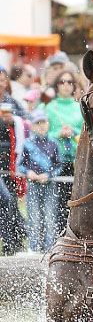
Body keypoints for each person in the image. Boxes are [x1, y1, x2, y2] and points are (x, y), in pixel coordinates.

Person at [45, 69, 83, 236]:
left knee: (77, 200)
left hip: (76, 159)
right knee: (57, 202)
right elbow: (41, 134)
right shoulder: (48, 107)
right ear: (57, 85)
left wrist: (73, 132)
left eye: (70, 82)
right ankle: (58, 235)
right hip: (56, 161)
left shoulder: (79, 107)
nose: (66, 85)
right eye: (62, 82)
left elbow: (85, 132)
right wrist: (58, 134)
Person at [18, 109, 61, 251]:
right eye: (38, 123)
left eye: (43, 122)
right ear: (32, 126)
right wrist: (28, 172)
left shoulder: (54, 144)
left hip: (50, 186)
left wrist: (48, 175)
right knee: (34, 219)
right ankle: (34, 249)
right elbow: (20, 165)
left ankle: (50, 249)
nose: (41, 126)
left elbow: (59, 165)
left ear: (48, 124)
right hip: (33, 185)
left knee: (50, 218)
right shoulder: (27, 143)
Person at [0, 101, 26, 254]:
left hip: (10, 166)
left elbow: (25, 116)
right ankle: (8, 239)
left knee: (12, 203)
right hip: (5, 166)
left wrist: (14, 119)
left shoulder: (12, 102)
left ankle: (12, 241)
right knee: (6, 199)